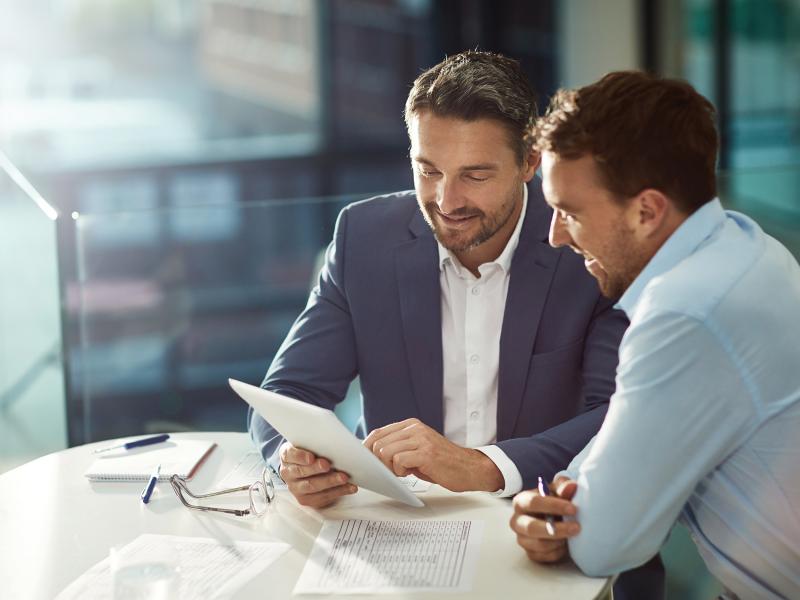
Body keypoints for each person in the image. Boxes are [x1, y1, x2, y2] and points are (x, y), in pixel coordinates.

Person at [509, 70, 800, 599]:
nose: (554, 236)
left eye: (569, 212)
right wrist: (563, 495)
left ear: (646, 211)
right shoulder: (744, 245)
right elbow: (627, 430)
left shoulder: (686, 313)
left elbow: (601, 544)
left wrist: (566, 517)